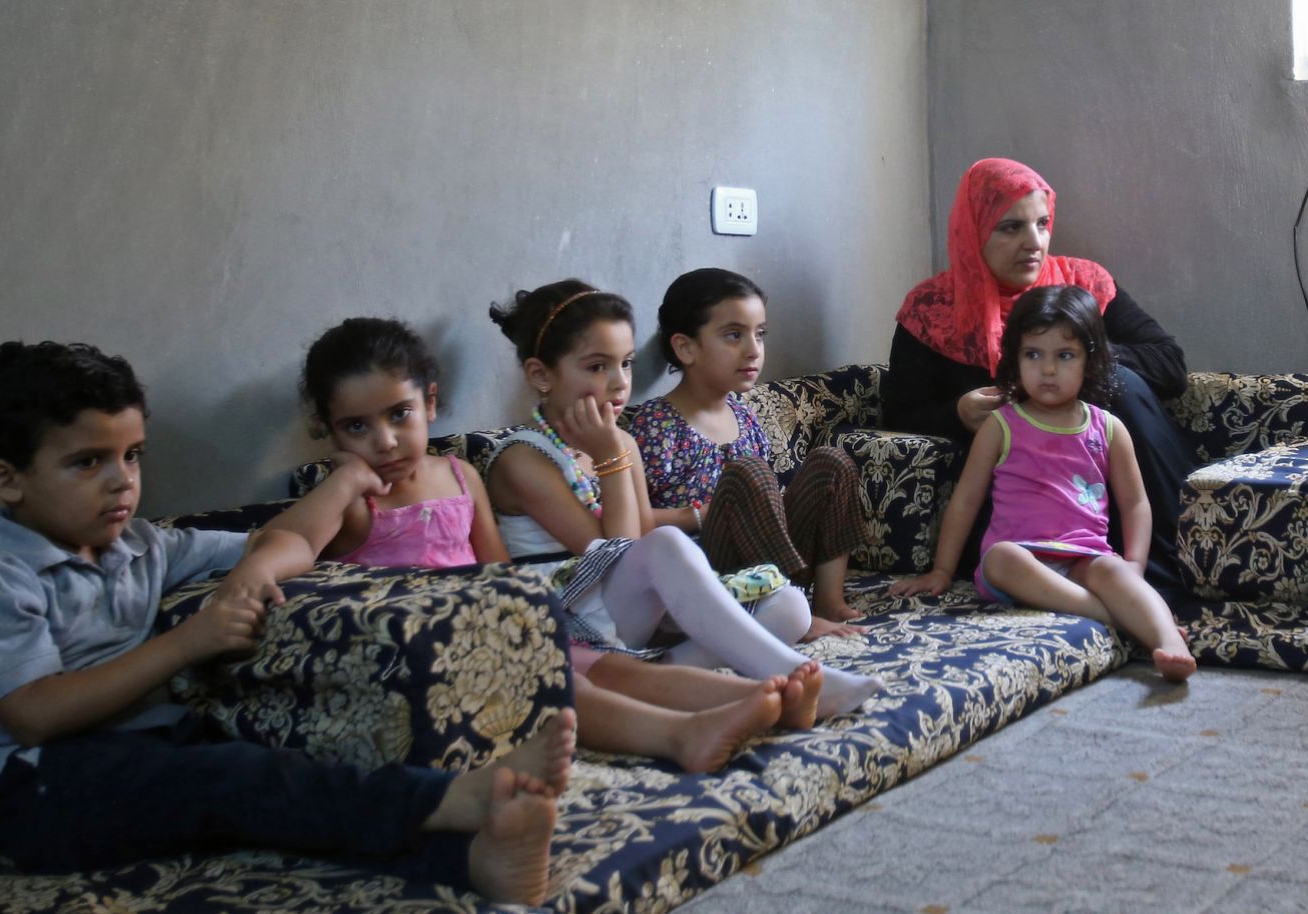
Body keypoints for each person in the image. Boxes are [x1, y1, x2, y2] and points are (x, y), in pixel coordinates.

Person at [0, 341, 574, 905]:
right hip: (19, 794)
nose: (121, 483)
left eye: (131, 457)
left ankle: (467, 861)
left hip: (137, 757)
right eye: (87, 463)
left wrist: (346, 481)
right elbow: (32, 714)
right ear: (6, 479)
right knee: (234, 779)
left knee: (279, 786)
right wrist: (188, 642)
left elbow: (277, 540)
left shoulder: (144, 547)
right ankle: (449, 799)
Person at [298, 317, 807, 771]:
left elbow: (501, 574)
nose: (384, 441)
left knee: (611, 670)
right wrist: (340, 485)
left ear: (429, 403)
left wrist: (531, 630)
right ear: (328, 430)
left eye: (398, 415)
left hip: (500, 625)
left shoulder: (458, 474)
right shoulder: (347, 500)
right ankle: (685, 733)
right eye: (357, 427)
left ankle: (763, 694)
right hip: (428, 651)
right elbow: (284, 543)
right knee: (571, 684)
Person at [486, 280, 883, 718]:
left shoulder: (620, 443)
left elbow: (636, 545)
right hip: (572, 621)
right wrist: (610, 457)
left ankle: (656, 680)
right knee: (668, 543)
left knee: (789, 608)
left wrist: (613, 451)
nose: (620, 384)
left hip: (631, 620)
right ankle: (798, 676)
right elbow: (620, 554)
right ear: (541, 374)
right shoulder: (523, 460)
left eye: (626, 364)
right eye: (597, 367)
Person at [884, 157, 1197, 593]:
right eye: (1010, 227)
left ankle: (1164, 575)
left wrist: (1081, 348)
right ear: (973, 231)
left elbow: (1170, 365)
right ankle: (1112, 603)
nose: (1034, 242)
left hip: (1102, 498)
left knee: (1120, 387)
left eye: (1042, 224)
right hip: (1015, 512)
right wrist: (956, 413)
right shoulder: (931, 312)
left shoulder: (1083, 287)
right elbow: (898, 414)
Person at [891, 287, 1197, 681]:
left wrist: (1135, 564)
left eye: (1064, 356)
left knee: (1117, 573)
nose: (1048, 369)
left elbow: (1135, 502)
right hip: (1023, 558)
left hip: (1085, 556)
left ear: (1090, 361)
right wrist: (942, 570)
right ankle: (1117, 616)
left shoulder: (1107, 428)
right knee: (1000, 557)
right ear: (1014, 359)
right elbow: (965, 501)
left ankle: (1168, 642)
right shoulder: (1001, 425)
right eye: (1033, 355)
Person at [628, 267, 871, 623]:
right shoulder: (656, 427)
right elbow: (630, 524)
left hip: (764, 558)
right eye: (733, 335)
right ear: (685, 347)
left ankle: (827, 602)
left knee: (831, 462)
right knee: (748, 472)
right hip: (706, 570)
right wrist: (707, 513)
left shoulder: (744, 416)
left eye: (760, 334)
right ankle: (788, 608)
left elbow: (767, 505)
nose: (753, 350)